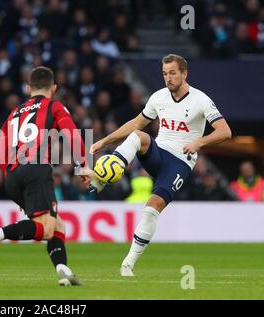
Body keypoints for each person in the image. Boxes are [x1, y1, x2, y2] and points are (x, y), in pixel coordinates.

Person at [90, 54, 232, 276]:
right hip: (158, 152)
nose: (168, 78)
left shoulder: (200, 100)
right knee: (139, 134)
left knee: (151, 209)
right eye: (165, 74)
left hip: (179, 163)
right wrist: (105, 140)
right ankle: (102, 177)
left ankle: (128, 264)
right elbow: (136, 123)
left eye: (173, 73)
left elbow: (225, 131)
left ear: (184, 73)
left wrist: (199, 142)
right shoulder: (158, 97)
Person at [0, 66, 89, 286]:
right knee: (47, 229)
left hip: (12, 174)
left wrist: (15, 179)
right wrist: (82, 165)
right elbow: (71, 134)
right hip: (36, 168)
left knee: (57, 225)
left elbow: (0, 151)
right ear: (53, 88)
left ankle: (63, 270)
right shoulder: (54, 106)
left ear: (28, 88)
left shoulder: (13, 113)